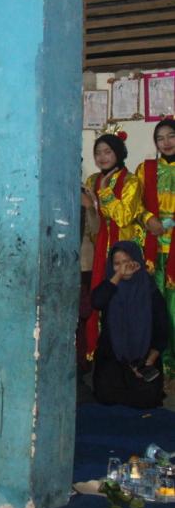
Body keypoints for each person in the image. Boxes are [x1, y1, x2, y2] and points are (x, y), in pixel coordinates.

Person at [85, 133, 143, 365]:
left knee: (123, 300)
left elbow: (123, 217)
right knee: (101, 297)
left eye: (107, 152)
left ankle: (128, 354)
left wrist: (106, 192)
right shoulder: (91, 180)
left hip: (123, 248)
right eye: (98, 153)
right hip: (99, 248)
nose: (102, 157)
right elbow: (92, 220)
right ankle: (101, 352)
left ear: (118, 153)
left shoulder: (131, 181)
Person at [90, 241, 167, 408]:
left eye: (126, 262)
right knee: (106, 395)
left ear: (137, 261)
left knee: (147, 399)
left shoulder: (150, 290)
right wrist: (117, 276)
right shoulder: (110, 287)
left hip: (144, 358)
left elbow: (162, 331)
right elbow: (96, 302)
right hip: (115, 356)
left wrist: (148, 362)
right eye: (117, 264)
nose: (123, 267)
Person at [137, 119, 175, 376]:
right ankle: (160, 366)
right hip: (154, 251)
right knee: (156, 311)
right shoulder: (146, 169)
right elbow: (135, 204)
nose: (166, 142)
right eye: (160, 138)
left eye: (171, 136)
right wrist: (148, 218)